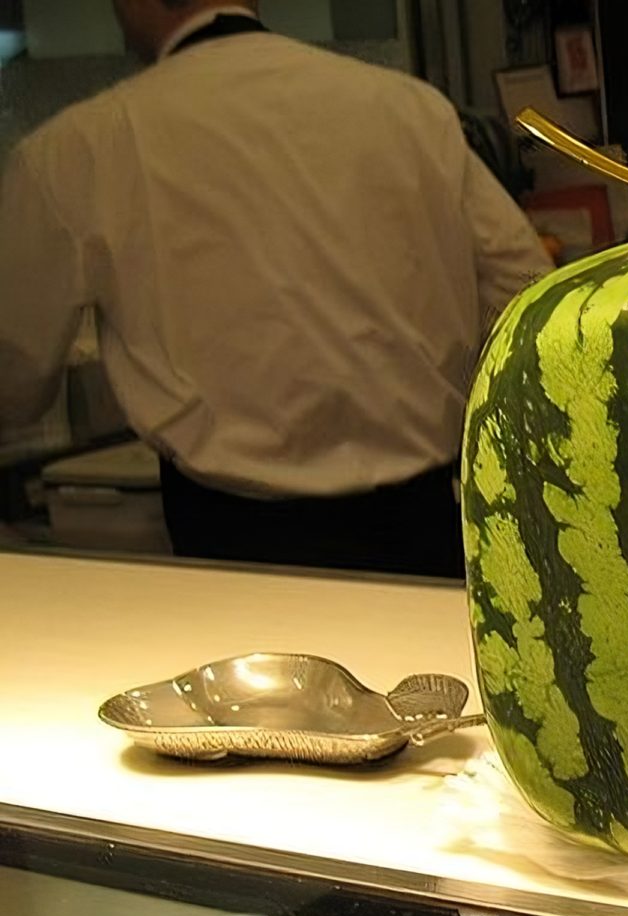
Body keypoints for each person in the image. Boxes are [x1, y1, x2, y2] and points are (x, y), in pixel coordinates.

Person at [0, 1, 552, 578]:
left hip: (238, 539)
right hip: (426, 522)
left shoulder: (81, 146)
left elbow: (13, 378)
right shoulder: (408, 108)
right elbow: (530, 292)